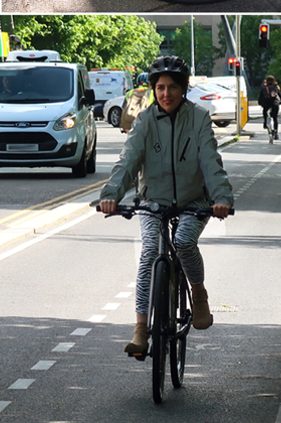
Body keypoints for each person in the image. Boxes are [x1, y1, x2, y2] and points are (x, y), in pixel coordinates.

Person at [99, 55, 234, 356]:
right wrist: (111, 195)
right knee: (149, 252)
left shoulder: (198, 118)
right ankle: (140, 331)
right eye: (160, 87)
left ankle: (198, 295)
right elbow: (128, 161)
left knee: (184, 241)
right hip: (154, 201)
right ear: (152, 89)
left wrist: (222, 198)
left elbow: (211, 162)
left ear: (184, 88)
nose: (166, 94)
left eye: (173, 87)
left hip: (193, 200)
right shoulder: (145, 120)